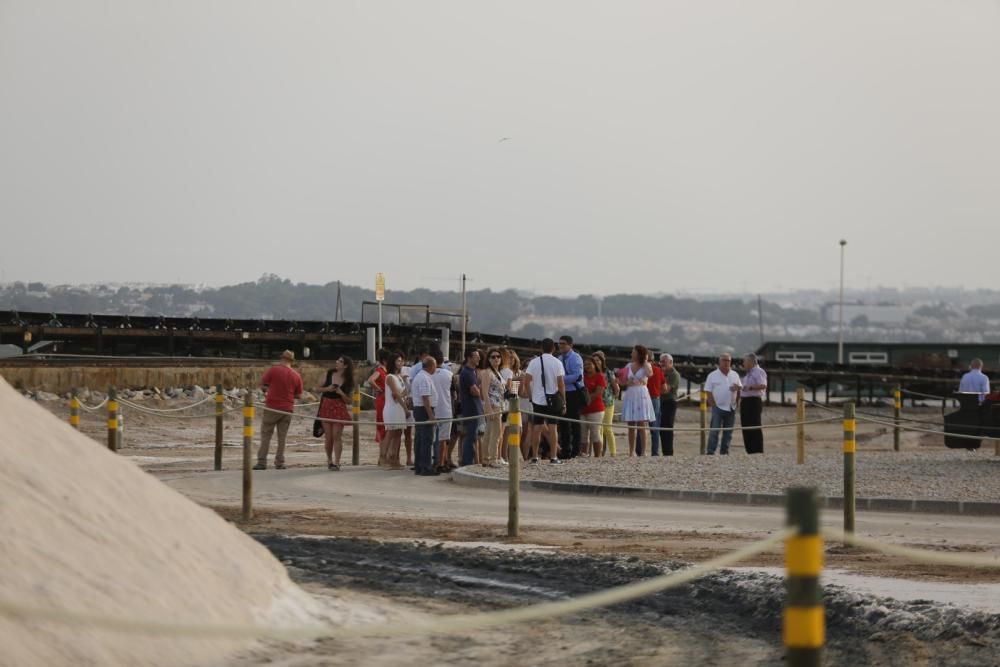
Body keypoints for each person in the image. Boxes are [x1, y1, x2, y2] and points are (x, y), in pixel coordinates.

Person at [254, 350, 303, 470]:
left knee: (266, 435)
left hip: (272, 406)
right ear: (292, 361)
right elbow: (299, 395)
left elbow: (262, 385)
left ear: (281, 358)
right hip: (287, 409)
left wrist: (268, 390)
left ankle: (262, 462)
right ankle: (280, 462)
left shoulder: (273, 370)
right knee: (282, 437)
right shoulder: (296, 375)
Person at [524, 338, 566, 464]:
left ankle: (535, 456)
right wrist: (564, 400)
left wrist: (531, 397)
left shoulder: (534, 362)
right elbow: (561, 383)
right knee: (553, 428)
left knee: (536, 428)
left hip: (537, 399)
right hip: (552, 398)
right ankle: (553, 457)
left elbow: (526, 381)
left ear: (541, 348)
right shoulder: (557, 362)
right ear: (553, 348)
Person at [314, 355, 355, 470]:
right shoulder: (329, 373)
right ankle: (329, 460)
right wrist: (328, 389)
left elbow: (349, 401)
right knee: (328, 436)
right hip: (326, 405)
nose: (337, 362)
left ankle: (337, 462)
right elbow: (317, 388)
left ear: (345, 365)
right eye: (337, 360)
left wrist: (341, 393)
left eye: (340, 361)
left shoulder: (349, 380)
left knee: (337, 435)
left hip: (339, 406)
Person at [620, 345, 655, 457]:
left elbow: (650, 374)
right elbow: (621, 381)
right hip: (630, 393)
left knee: (641, 424)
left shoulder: (646, 365)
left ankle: (644, 451)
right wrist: (627, 382)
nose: (631, 354)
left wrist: (644, 360)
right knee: (631, 424)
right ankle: (631, 451)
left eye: (633, 352)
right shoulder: (628, 365)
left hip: (641, 394)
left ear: (638, 354)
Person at [705, 353, 742, 455]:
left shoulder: (735, 374)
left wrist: (737, 401)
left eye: (728, 360)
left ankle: (724, 452)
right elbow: (708, 391)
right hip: (718, 408)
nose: (727, 362)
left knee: (728, 433)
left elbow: (739, 389)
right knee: (714, 432)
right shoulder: (712, 375)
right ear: (719, 362)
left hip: (731, 407)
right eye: (724, 360)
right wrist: (713, 405)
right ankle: (710, 452)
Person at [557, 335, 585, 459]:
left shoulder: (575, 358)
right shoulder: (559, 358)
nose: (561, 346)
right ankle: (565, 450)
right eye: (559, 343)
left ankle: (575, 450)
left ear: (570, 345)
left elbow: (577, 375)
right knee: (563, 422)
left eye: (563, 343)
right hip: (563, 392)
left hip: (573, 392)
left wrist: (560, 380)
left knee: (574, 422)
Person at [411, 356, 439, 476]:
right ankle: (425, 467)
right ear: (431, 365)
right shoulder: (424, 378)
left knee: (420, 439)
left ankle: (419, 465)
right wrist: (431, 416)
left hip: (420, 409)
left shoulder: (423, 376)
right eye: (435, 365)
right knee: (426, 440)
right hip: (423, 410)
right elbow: (425, 398)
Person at [381, 351, 409, 470]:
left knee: (398, 433)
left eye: (401, 360)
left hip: (399, 407)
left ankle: (394, 458)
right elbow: (396, 395)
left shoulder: (399, 376)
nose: (401, 362)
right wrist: (406, 409)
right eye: (398, 360)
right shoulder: (390, 377)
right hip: (392, 408)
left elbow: (402, 394)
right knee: (391, 432)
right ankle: (383, 457)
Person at [478, 347, 506, 467]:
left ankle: (486, 458)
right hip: (492, 406)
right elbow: (484, 391)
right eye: (493, 357)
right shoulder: (487, 373)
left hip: (499, 404)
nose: (496, 359)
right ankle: (493, 458)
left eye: (498, 356)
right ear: (488, 359)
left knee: (490, 432)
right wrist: (488, 408)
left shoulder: (498, 372)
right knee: (496, 433)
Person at [431, 350, 455, 472]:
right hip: (446, 409)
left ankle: (433, 461)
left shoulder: (428, 374)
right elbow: (454, 393)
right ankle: (442, 462)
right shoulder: (449, 374)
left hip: (432, 410)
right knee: (444, 438)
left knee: (432, 438)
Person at [739, 353, 768, 454]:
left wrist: (750, 387)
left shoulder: (758, 371)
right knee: (745, 425)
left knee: (754, 425)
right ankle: (750, 450)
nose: (743, 363)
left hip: (753, 401)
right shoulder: (748, 373)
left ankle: (757, 450)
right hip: (745, 401)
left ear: (750, 362)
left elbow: (763, 385)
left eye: (744, 361)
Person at [458, 348, 482, 466]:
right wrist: (482, 390)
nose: (479, 358)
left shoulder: (473, 371)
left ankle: (468, 460)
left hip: (475, 407)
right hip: (471, 408)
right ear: (469, 358)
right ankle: (467, 461)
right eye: (476, 356)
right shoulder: (467, 372)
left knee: (473, 436)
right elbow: (475, 392)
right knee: (471, 436)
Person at [592, 351, 619, 456]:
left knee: (607, 428)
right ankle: (601, 452)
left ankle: (613, 453)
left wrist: (614, 396)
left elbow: (615, 387)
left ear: (602, 361)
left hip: (608, 403)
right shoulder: (591, 373)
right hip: (596, 403)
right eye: (594, 361)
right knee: (599, 429)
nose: (596, 362)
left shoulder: (608, 373)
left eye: (598, 360)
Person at [639, 355, 665, 456]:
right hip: (654, 398)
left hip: (643, 398)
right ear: (653, 360)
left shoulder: (640, 369)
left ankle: (639, 450)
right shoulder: (658, 370)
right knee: (654, 428)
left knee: (641, 426)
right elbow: (664, 387)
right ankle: (655, 452)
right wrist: (658, 392)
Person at [581, 356, 607, 456]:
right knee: (583, 434)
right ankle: (584, 454)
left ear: (594, 365)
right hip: (583, 409)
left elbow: (598, 392)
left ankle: (597, 456)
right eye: (585, 364)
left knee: (595, 433)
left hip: (596, 409)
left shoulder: (599, 376)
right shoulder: (582, 377)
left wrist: (585, 398)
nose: (587, 366)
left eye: (589, 364)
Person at [658, 353, 682, 456]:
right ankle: (663, 451)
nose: (662, 363)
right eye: (661, 361)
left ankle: (668, 453)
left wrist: (654, 388)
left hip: (669, 403)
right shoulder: (660, 372)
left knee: (667, 428)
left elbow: (666, 390)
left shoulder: (674, 374)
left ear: (671, 362)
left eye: (664, 361)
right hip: (660, 402)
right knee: (660, 428)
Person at [365, 350, 389, 451]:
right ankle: (382, 454)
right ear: (384, 360)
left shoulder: (386, 371)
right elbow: (370, 380)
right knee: (382, 426)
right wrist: (379, 389)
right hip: (382, 399)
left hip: (386, 399)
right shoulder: (380, 370)